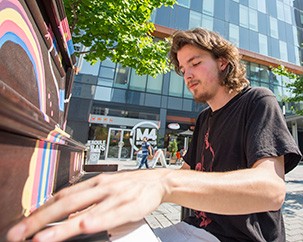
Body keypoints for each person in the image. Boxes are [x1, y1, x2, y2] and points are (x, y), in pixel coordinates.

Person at [7, 28, 301, 242]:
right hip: (195, 230)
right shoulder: (204, 119)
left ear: (223, 62)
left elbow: (270, 192)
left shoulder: (259, 101)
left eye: (195, 63)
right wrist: (129, 185)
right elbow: (185, 174)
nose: (186, 74)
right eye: (182, 68)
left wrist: (162, 183)